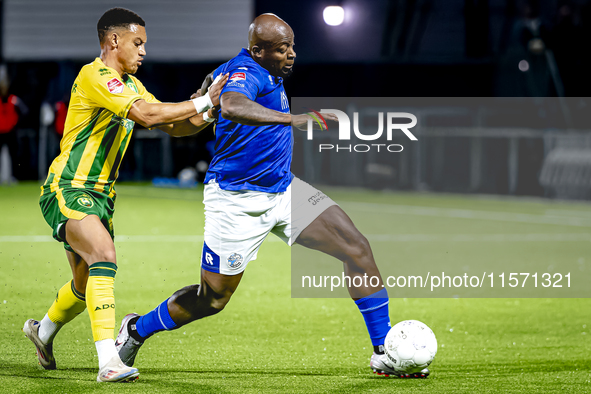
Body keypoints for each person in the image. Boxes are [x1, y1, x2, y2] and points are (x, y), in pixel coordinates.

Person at [116, 13, 428, 379]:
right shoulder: (245, 72)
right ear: (257, 50)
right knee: (212, 299)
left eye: (292, 46)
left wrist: (204, 102)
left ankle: (383, 352)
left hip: (283, 189)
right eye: (282, 49)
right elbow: (232, 104)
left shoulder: (251, 70)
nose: (291, 54)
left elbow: (213, 105)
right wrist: (292, 119)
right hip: (237, 200)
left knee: (357, 248)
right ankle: (137, 328)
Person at [22, 7, 228, 383]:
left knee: (85, 284)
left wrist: (210, 108)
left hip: (103, 198)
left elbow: (173, 125)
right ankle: (109, 363)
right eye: (138, 42)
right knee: (104, 254)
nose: (144, 51)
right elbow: (148, 116)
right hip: (70, 186)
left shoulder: (133, 87)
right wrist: (202, 101)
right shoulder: (95, 75)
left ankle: (43, 331)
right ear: (114, 40)